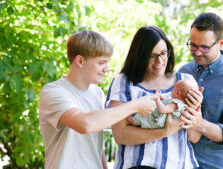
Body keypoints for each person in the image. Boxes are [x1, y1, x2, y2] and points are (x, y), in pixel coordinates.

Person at [39, 30, 157, 169]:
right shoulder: (53, 92)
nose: (106, 69)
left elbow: (95, 142)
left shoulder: (97, 93)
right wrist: (135, 106)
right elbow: (85, 124)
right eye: (102, 63)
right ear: (80, 61)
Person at [106, 25, 202, 169]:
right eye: (152, 56)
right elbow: (120, 135)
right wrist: (165, 131)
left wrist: (195, 110)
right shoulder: (124, 82)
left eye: (163, 53)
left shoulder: (186, 81)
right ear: (139, 56)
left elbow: (193, 137)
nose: (159, 61)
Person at [179, 12, 223, 169]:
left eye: (204, 47)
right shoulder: (183, 72)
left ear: (221, 43)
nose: (197, 52)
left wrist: (200, 124)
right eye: (193, 45)